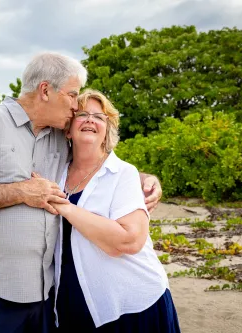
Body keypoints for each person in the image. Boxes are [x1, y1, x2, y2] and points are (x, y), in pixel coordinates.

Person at [0, 52, 163, 333]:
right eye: (72, 95)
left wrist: (144, 178)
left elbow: (96, 161)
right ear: (45, 90)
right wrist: (20, 191)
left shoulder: (58, 136)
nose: (74, 105)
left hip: (44, 296)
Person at [47, 89, 180, 332]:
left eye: (99, 117)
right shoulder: (54, 174)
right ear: (68, 128)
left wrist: (65, 207)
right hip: (71, 302)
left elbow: (129, 241)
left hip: (131, 305)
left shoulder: (123, 174)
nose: (90, 120)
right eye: (82, 114)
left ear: (107, 129)